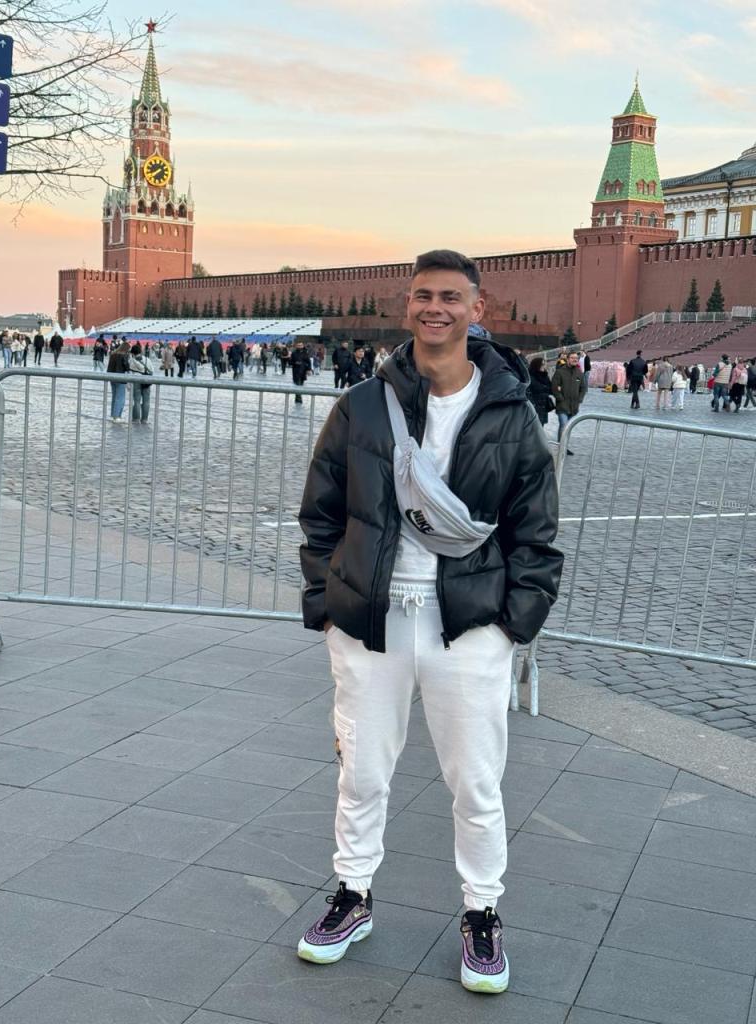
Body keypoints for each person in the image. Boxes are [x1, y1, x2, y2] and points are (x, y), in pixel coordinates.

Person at [296, 249, 562, 993]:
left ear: (479, 308)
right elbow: (320, 513)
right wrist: (328, 607)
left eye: (450, 296)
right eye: (422, 296)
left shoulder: (512, 413)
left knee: (475, 782)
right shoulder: (362, 406)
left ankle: (482, 912)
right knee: (361, 771)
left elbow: (536, 532)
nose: (434, 308)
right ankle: (353, 895)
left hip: (468, 625)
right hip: (372, 621)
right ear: (406, 305)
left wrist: (512, 625)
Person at [551, 350, 586, 452]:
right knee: (564, 425)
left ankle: (563, 445)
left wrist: (580, 399)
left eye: (576, 358)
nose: (575, 360)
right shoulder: (560, 372)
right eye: (572, 358)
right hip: (562, 405)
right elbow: (554, 387)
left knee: (568, 427)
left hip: (574, 406)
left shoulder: (579, 372)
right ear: (567, 359)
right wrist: (560, 398)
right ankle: (561, 448)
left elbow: (583, 388)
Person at [106, 341, 131, 422]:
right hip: (121, 379)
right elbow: (127, 367)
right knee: (120, 398)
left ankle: (113, 415)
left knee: (114, 397)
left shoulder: (113, 354)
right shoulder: (124, 356)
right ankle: (117, 416)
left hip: (112, 378)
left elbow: (109, 368)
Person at [129, 343, 153, 423]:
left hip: (136, 381)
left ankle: (136, 419)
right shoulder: (147, 359)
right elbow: (152, 370)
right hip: (146, 381)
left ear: (132, 353)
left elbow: (129, 372)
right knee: (146, 401)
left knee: (137, 401)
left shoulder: (132, 361)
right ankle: (144, 419)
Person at [528, 356, 553, 426]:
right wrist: (533, 404)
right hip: (534, 407)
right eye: (542, 364)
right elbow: (528, 392)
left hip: (543, 406)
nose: (544, 366)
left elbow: (550, 389)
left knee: (541, 426)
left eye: (544, 364)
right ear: (536, 365)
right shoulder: (530, 377)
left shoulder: (545, 376)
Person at [290, 339, 311, 403]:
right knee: (298, 385)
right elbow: (290, 362)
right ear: (296, 346)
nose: (300, 346)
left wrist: (309, 369)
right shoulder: (294, 353)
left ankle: (297, 398)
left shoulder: (305, 353)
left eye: (301, 345)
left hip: (303, 371)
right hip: (296, 372)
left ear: (303, 345)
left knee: (300, 385)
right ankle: (299, 399)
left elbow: (308, 362)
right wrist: (295, 362)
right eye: (298, 345)